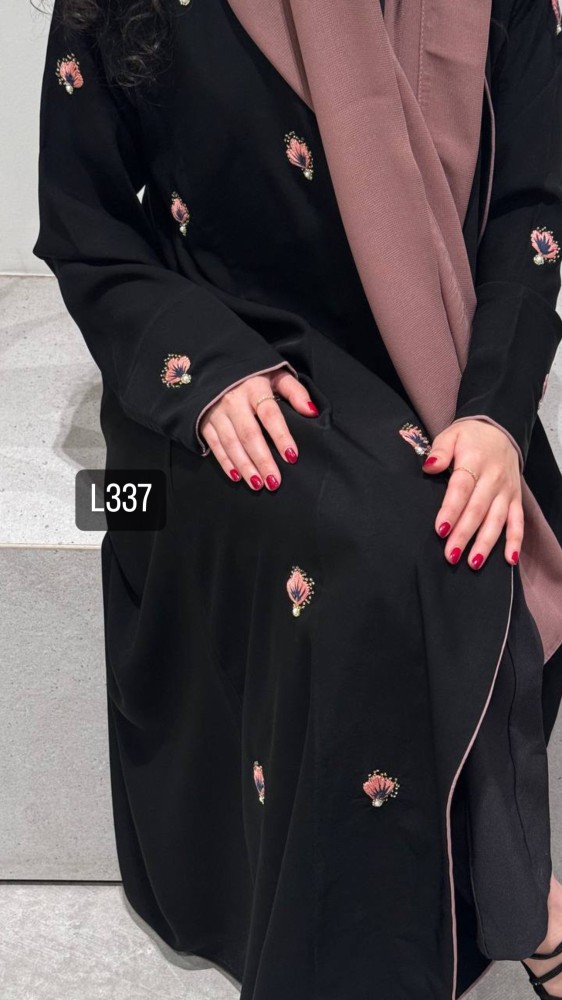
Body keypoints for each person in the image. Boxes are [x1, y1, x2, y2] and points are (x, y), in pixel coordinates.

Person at [31, 0, 562, 996]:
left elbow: (530, 210)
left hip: (435, 365)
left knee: (475, 524)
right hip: (229, 358)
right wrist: (205, 371)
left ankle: (505, 894)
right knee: (382, 548)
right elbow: (83, 221)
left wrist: (495, 412)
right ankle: (509, 910)